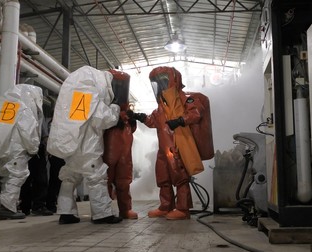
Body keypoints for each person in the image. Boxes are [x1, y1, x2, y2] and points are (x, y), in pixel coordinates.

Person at [47, 65, 122, 225]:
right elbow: (103, 119)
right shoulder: (89, 95)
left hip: (70, 144)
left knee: (70, 177)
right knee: (97, 176)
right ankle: (102, 214)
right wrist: (115, 109)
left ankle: (66, 212)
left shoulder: (74, 95)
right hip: (87, 145)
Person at [128, 66, 206, 220]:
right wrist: (139, 116)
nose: (160, 86)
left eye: (163, 81)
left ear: (173, 81)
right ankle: (166, 206)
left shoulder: (184, 99)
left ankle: (183, 209)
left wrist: (180, 120)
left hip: (178, 145)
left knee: (180, 177)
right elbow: (153, 122)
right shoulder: (160, 109)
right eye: (157, 83)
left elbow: (196, 113)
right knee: (163, 178)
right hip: (163, 150)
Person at [0, 84, 43, 220]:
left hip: (4, 147)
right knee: (16, 176)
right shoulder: (24, 109)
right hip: (17, 148)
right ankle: (7, 208)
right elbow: (28, 131)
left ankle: (9, 206)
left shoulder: (5, 106)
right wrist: (33, 148)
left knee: (7, 176)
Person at [103, 69, 138, 219]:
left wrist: (132, 120)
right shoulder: (102, 108)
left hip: (124, 152)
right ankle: (102, 211)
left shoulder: (126, 111)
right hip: (106, 151)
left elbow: (132, 130)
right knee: (104, 180)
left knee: (124, 180)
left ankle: (125, 209)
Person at [19, 119, 53, 216]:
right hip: (24, 147)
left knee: (41, 178)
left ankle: (39, 205)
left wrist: (46, 144)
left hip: (38, 147)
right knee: (25, 178)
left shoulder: (38, 110)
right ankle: (25, 206)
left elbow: (42, 127)